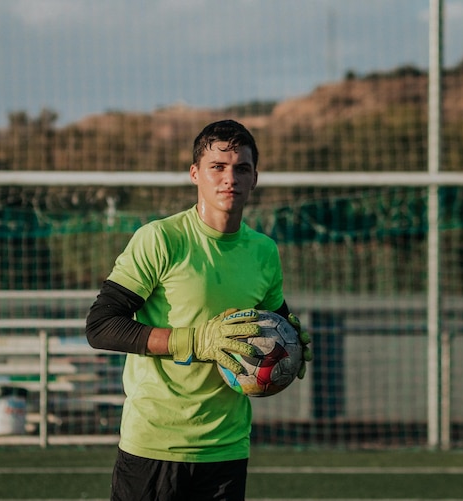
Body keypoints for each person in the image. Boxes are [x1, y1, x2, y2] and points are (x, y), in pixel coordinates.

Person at [86, 119, 311, 501]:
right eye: (217, 167)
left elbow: (272, 323)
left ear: (255, 177)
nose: (230, 178)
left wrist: (292, 342)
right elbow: (101, 326)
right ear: (195, 174)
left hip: (227, 448)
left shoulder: (264, 252)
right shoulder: (160, 239)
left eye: (241, 168)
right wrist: (196, 341)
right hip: (154, 446)